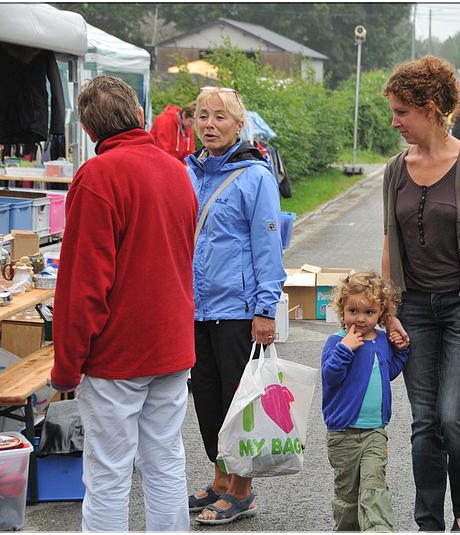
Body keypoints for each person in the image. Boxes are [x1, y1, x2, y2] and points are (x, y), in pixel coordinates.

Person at [50, 75, 198, 531]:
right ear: (138, 114)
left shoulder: (97, 177)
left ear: (90, 131)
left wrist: (66, 367)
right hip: (171, 344)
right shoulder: (178, 171)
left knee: (109, 473)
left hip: (117, 352)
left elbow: (82, 286)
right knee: (165, 461)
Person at [382, 55, 460, 532]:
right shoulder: (396, 169)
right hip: (413, 306)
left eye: (402, 113)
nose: (395, 123)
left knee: (453, 415)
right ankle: (428, 521)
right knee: (423, 423)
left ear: (431, 108)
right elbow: (388, 240)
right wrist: (387, 309)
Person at [186, 86, 287, 525]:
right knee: (207, 399)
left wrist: (265, 309)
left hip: (239, 311)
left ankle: (242, 489)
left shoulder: (255, 176)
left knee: (239, 402)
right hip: (195, 308)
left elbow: (268, 246)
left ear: (239, 124)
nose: (209, 125)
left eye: (219, 117)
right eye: (202, 116)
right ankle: (220, 479)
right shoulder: (189, 172)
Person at [321, 272, 410, 532]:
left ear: (381, 313)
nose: (360, 318)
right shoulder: (337, 341)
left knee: (374, 488)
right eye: (353, 310)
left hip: (374, 431)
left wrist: (403, 350)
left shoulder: (381, 340)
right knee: (348, 496)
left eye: (369, 312)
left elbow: (389, 371)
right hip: (343, 433)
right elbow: (331, 376)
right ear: (341, 309)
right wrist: (346, 349)